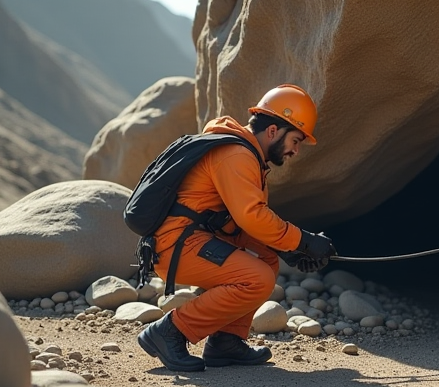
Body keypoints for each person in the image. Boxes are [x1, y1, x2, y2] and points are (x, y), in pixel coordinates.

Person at [137, 83, 336, 372]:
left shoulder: (245, 153)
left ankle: (225, 342)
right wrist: (302, 240)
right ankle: (169, 331)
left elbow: (232, 220)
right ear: (273, 132)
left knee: (266, 261)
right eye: (295, 140)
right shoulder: (236, 155)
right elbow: (251, 216)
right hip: (177, 246)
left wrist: (285, 249)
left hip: (191, 239)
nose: (295, 150)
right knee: (257, 279)